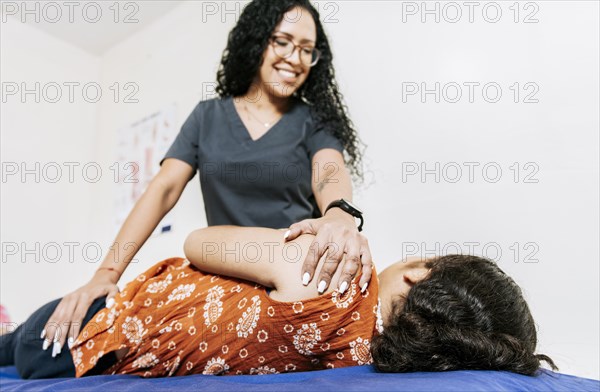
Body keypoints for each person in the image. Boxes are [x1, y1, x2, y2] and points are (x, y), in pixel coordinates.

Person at [38, 0, 374, 361]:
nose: (295, 58)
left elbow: (329, 171)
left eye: (307, 50)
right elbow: (163, 189)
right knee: (73, 328)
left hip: (288, 276)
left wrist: (339, 215)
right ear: (257, 39)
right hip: (219, 272)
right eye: (283, 41)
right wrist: (105, 273)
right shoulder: (207, 117)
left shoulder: (313, 121)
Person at [0, 226, 557, 378]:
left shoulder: (328, 276)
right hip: (95, 349)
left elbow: (198, 242)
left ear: (415, 277)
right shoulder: (370, 357)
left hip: (83, 334)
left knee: (10, 343)